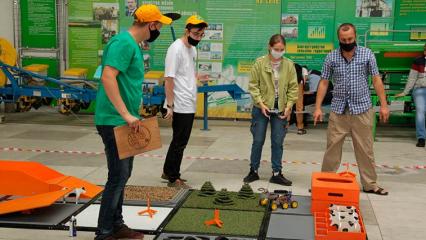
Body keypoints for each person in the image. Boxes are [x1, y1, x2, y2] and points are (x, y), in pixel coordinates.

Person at [94, 4, 171, 240]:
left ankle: (116, 225)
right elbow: (108, 77)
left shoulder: (133, 45)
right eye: (158, 25)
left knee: (122, 176)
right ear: (151, 25)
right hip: (114, 120)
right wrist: (126, 114)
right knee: (117, 176)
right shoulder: (123, 44)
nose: (158, 30)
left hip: (124, 120)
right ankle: (105, 232)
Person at [313, 23, 390, 196]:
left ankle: (370, 184)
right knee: (332, 148)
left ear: (355, 37)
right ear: (338, 39)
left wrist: (384, 105)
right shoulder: (331, 57)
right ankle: (325, 182)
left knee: (365, 149)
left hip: (362, 109)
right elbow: (324, 82)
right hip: (338, 111)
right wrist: (317, 107)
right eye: (343, 40)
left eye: (350, 39)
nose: (347, 42)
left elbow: (376, 80)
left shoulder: (367, 54)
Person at [243, 34, 298, 186]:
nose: (279, 52)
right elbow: (253, 86)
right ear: (269, 47)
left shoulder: (289, 65)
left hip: (281, 109)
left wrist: (289, 106)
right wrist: (260, 103)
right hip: (261, 109)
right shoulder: (259, 63)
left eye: (281, 49)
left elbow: (293, 87)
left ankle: (277, 173)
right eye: (276, 49)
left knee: (277, 141)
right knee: (258, 140)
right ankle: (253, 171)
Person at [162, 15, 208, 188]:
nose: (198, 38)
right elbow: (169, 78)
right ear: (187, 30)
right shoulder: (176, 49)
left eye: (201, 35)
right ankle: (174, 178)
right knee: (180, 142)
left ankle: (167, 171)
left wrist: (197, 77)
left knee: (179, 140)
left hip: (189, 101)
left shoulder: (192, 50)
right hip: (179, 102)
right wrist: (170, 106)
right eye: (196, 34)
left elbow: (185, 73)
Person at [395, 43, 426, 147]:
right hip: (420, 90)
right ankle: (421, 138)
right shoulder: (418, 61)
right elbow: (412, 78)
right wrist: (405, 92)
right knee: (420, 111)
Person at [294, 63, 309, 134]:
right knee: (299, 108)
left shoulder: (288, 67)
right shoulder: (304, 69)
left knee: (287, 106)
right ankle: (300, 128)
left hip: (288, 85)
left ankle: (285, 127)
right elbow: (305, 79)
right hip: (299, 84)